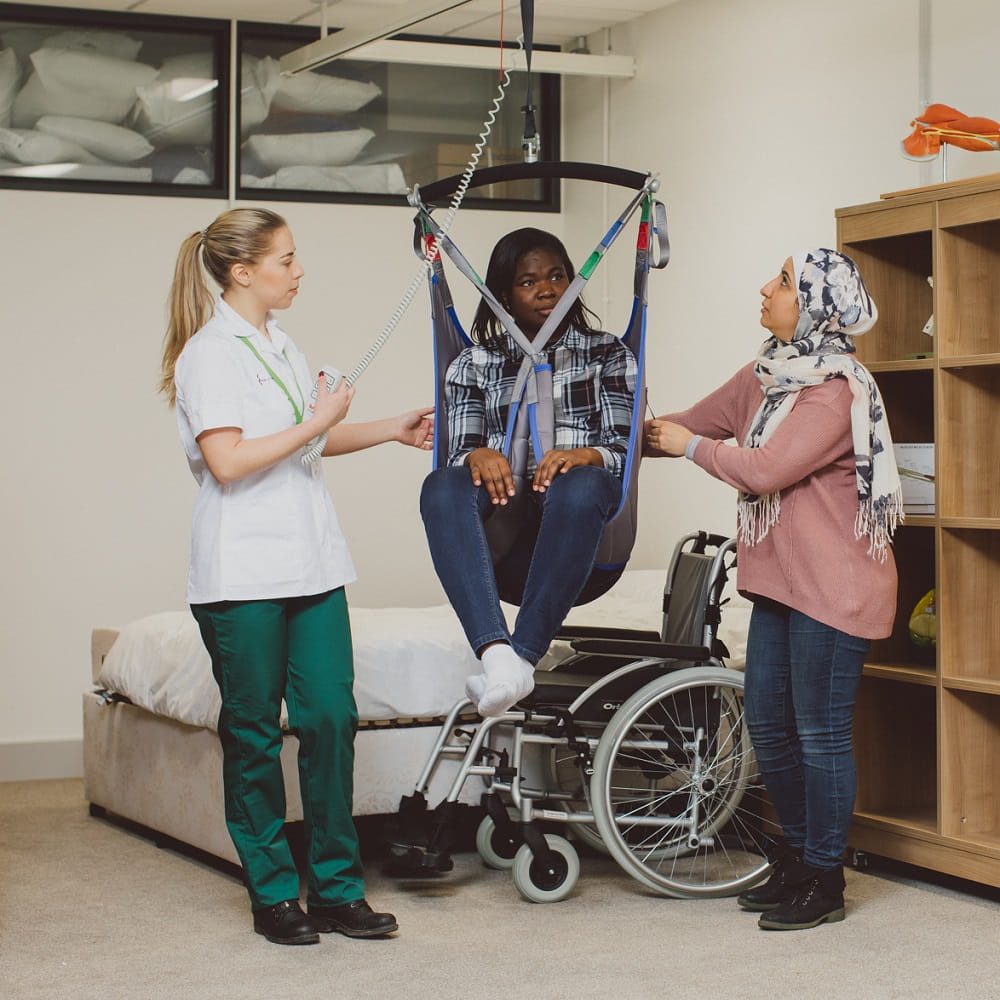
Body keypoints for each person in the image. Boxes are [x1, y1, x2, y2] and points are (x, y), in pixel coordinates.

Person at [160, 207, 433, 946]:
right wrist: (318, 420)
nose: (299, 270)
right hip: (241, 572)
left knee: (329, 720)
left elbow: (302, 442)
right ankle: (275, 894)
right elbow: (229, 460)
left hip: (311, 565)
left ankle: (339, 890)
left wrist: (386, 428)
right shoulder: (209, 354)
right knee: (252, 733)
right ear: (242, 271)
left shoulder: (279, 344)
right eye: (285, 260)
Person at [645, 248, 902, 931]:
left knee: (819, 734)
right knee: (768, 726)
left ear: (815, 304)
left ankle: (824, 875)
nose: (766, 288)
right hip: (781, 587)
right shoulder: (764, 375)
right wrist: (612, 437)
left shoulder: (834, 390)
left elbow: (764, 470)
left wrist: (687, 448)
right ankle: (795, 856)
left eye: (784, 282)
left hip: (836, 588)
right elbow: (692, 424)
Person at [420, 227, 637, 718]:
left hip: (585, 549)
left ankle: (523, 656)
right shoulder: (473, 364)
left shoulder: (607, 355)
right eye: (529, 281)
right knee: (440, 483)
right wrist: (475, 456)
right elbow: (458, 452)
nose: (547, 289)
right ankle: (499, 656)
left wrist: (587, 456)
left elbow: (624, 453)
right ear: (503, 295)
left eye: (559, 276)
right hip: (505, 550)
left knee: (583, 483)